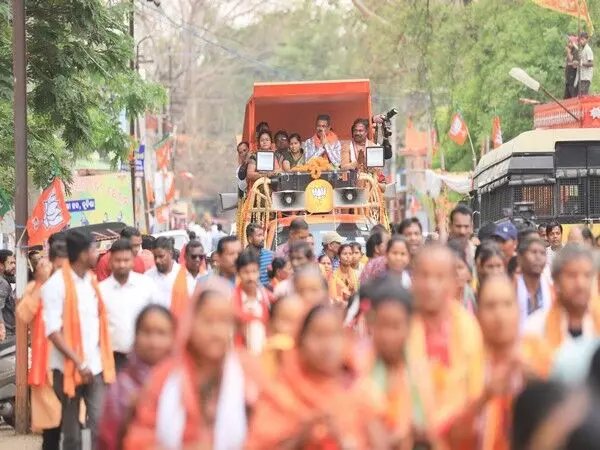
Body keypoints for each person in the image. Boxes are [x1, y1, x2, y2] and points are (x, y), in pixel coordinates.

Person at [123, 282, 263, 450]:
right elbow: (140, 437)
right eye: (208, 321)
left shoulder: (248, 370)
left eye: (224, 321)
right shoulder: (166, 375)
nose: (217, 331)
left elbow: (266, 432)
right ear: (191, 322)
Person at [246, 304, 385, 449]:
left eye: (335, 335)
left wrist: (343, 441)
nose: (328, 346)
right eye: (319, 335)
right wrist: (301, 438)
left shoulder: (360, 391)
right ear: (300, 342)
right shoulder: (280, 393)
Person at [41, 229, 116, 450]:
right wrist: (78, 362)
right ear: (83, 254)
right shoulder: (55, 286)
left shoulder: (92, 283)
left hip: (96, 367)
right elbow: (53, 332)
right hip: (67, 369)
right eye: (94, 249)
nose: (98, 253)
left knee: (100, 425)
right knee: (72, 434)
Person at [406, 243, 486, 447]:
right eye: (424, 276)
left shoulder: (468, 327)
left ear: (453, 281)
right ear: (413, 280)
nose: (431, 285)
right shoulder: (400, 325)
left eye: (440, 277)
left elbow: (475, 392)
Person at [476, 274, 552, 450]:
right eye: (491, 306)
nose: (499, 314)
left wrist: (534, 382)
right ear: (478, 314)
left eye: (507, 304)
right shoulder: (468, 358)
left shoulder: (538, 351)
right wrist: (485, 395)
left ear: (518, 310)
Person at [360, 275, 433, 449]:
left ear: (409, 326)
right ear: (371, 322)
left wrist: (419, 433)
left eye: (396, 326)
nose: (388, 336)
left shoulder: (421, 372)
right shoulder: (358, 368)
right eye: (382, 324)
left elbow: (434, 426)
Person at [97, 305, 175, 450]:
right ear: (136, 336)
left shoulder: (182, 382)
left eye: (161, 333)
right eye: (147, 332)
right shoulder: (122, 387)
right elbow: (107, 440)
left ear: (173, 338)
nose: (154, 342)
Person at [17, 235, 67, 449]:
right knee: (51, 427)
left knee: (74, 424)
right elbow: (24, 315)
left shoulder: (78, 282)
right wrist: (40, 284)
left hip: (72, 362)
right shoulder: (38, 284)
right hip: (45, 363)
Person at [524, 244, 599, 352]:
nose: (580, 284)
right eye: (572, 275)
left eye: (587, 275)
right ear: (556, 280)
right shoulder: (535, 328)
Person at [100, 239, 159, 371]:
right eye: (117, 260)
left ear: (133, 261)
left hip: (144, 357)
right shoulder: (100, 291)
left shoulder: (147, 285)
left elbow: (156, 318)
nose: (122, 264)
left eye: (126, 260)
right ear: (110, 262)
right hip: (112, 359)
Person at [231, 249, 272, 355]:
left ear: (259, 271)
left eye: (254, 271)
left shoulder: (269, 299)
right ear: (238, 272)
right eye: (246, 272)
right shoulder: (230, 300)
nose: (250, 277)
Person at [261, 295, 304, 379]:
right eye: (286, 320)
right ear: (270, 324)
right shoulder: (277, 347)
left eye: (300, 321)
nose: (295, 327)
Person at [516, 236, 552, 330]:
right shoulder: (510, 290)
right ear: (520, 258)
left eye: (542, 253)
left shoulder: (553, 292)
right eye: (533, 252)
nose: (538, 257)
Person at [144, 237, 180, 307]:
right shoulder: (147, 277)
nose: (157, 260)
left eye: (161, 256)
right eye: (155, 257)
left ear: (171, 254)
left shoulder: (184, 274)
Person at [448, 238, 477, 313]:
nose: (457, 273)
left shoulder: (471, 295)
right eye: (452, 269)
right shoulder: (440, 303)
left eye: (460, 267)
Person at [0, 249, 16, 340]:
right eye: (10, 263)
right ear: (1, 265)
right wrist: (1, 329)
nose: (14, 266)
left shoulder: (6, 280)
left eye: (14, 263)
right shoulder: (2, 283)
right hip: (7, 335)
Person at [578, 31, 594, 96]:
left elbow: (591, 64)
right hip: (582, 76)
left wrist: (582, 63)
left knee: (583, 95)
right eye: (580, 39)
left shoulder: (588, 49)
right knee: (581, 95)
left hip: (586, 77)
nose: (581, 41)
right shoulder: (582, 49)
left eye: (583, 39)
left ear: (586, 40)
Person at [565, 35, 580, 99]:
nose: (568, 44)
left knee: (572, 95)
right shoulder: (571, 50)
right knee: (566, 97)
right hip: (568, 78)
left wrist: (568, 52)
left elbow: (574, 63)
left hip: (572, 77)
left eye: (570, 42)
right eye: (568, 42)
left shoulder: (576, 51)